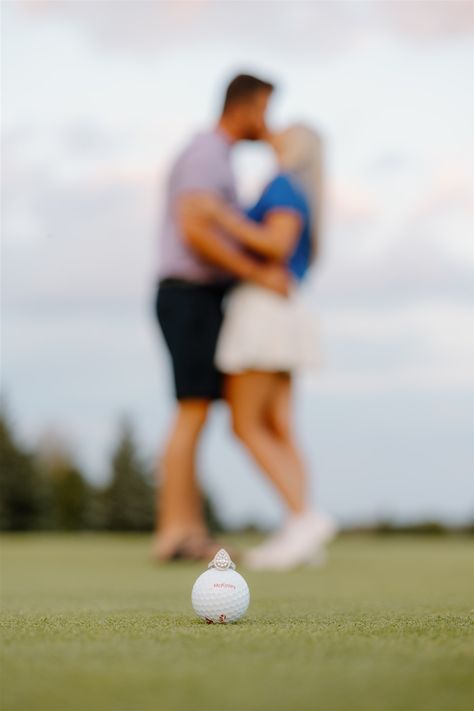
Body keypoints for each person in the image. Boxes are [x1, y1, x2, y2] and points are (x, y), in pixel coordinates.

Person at [154, 74, 289, 561]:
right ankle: (174, 532)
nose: (267, 122)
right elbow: (194, 227)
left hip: (198, 297)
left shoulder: (215, 156)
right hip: (189, 293)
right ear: (247, 106)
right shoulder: (208, 153)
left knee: (196, 409)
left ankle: (186, 527)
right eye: (265, 109)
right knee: (191, 410)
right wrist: (255, 272)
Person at [189, 125, 337, 569]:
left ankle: (303, 518)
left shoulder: (283, 185)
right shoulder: (299, 188)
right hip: (284, 311)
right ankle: (301, 530)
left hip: (262, 311)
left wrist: (221, 216)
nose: (275, 129)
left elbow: (277, 242)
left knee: (246, 424)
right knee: (278, 425)